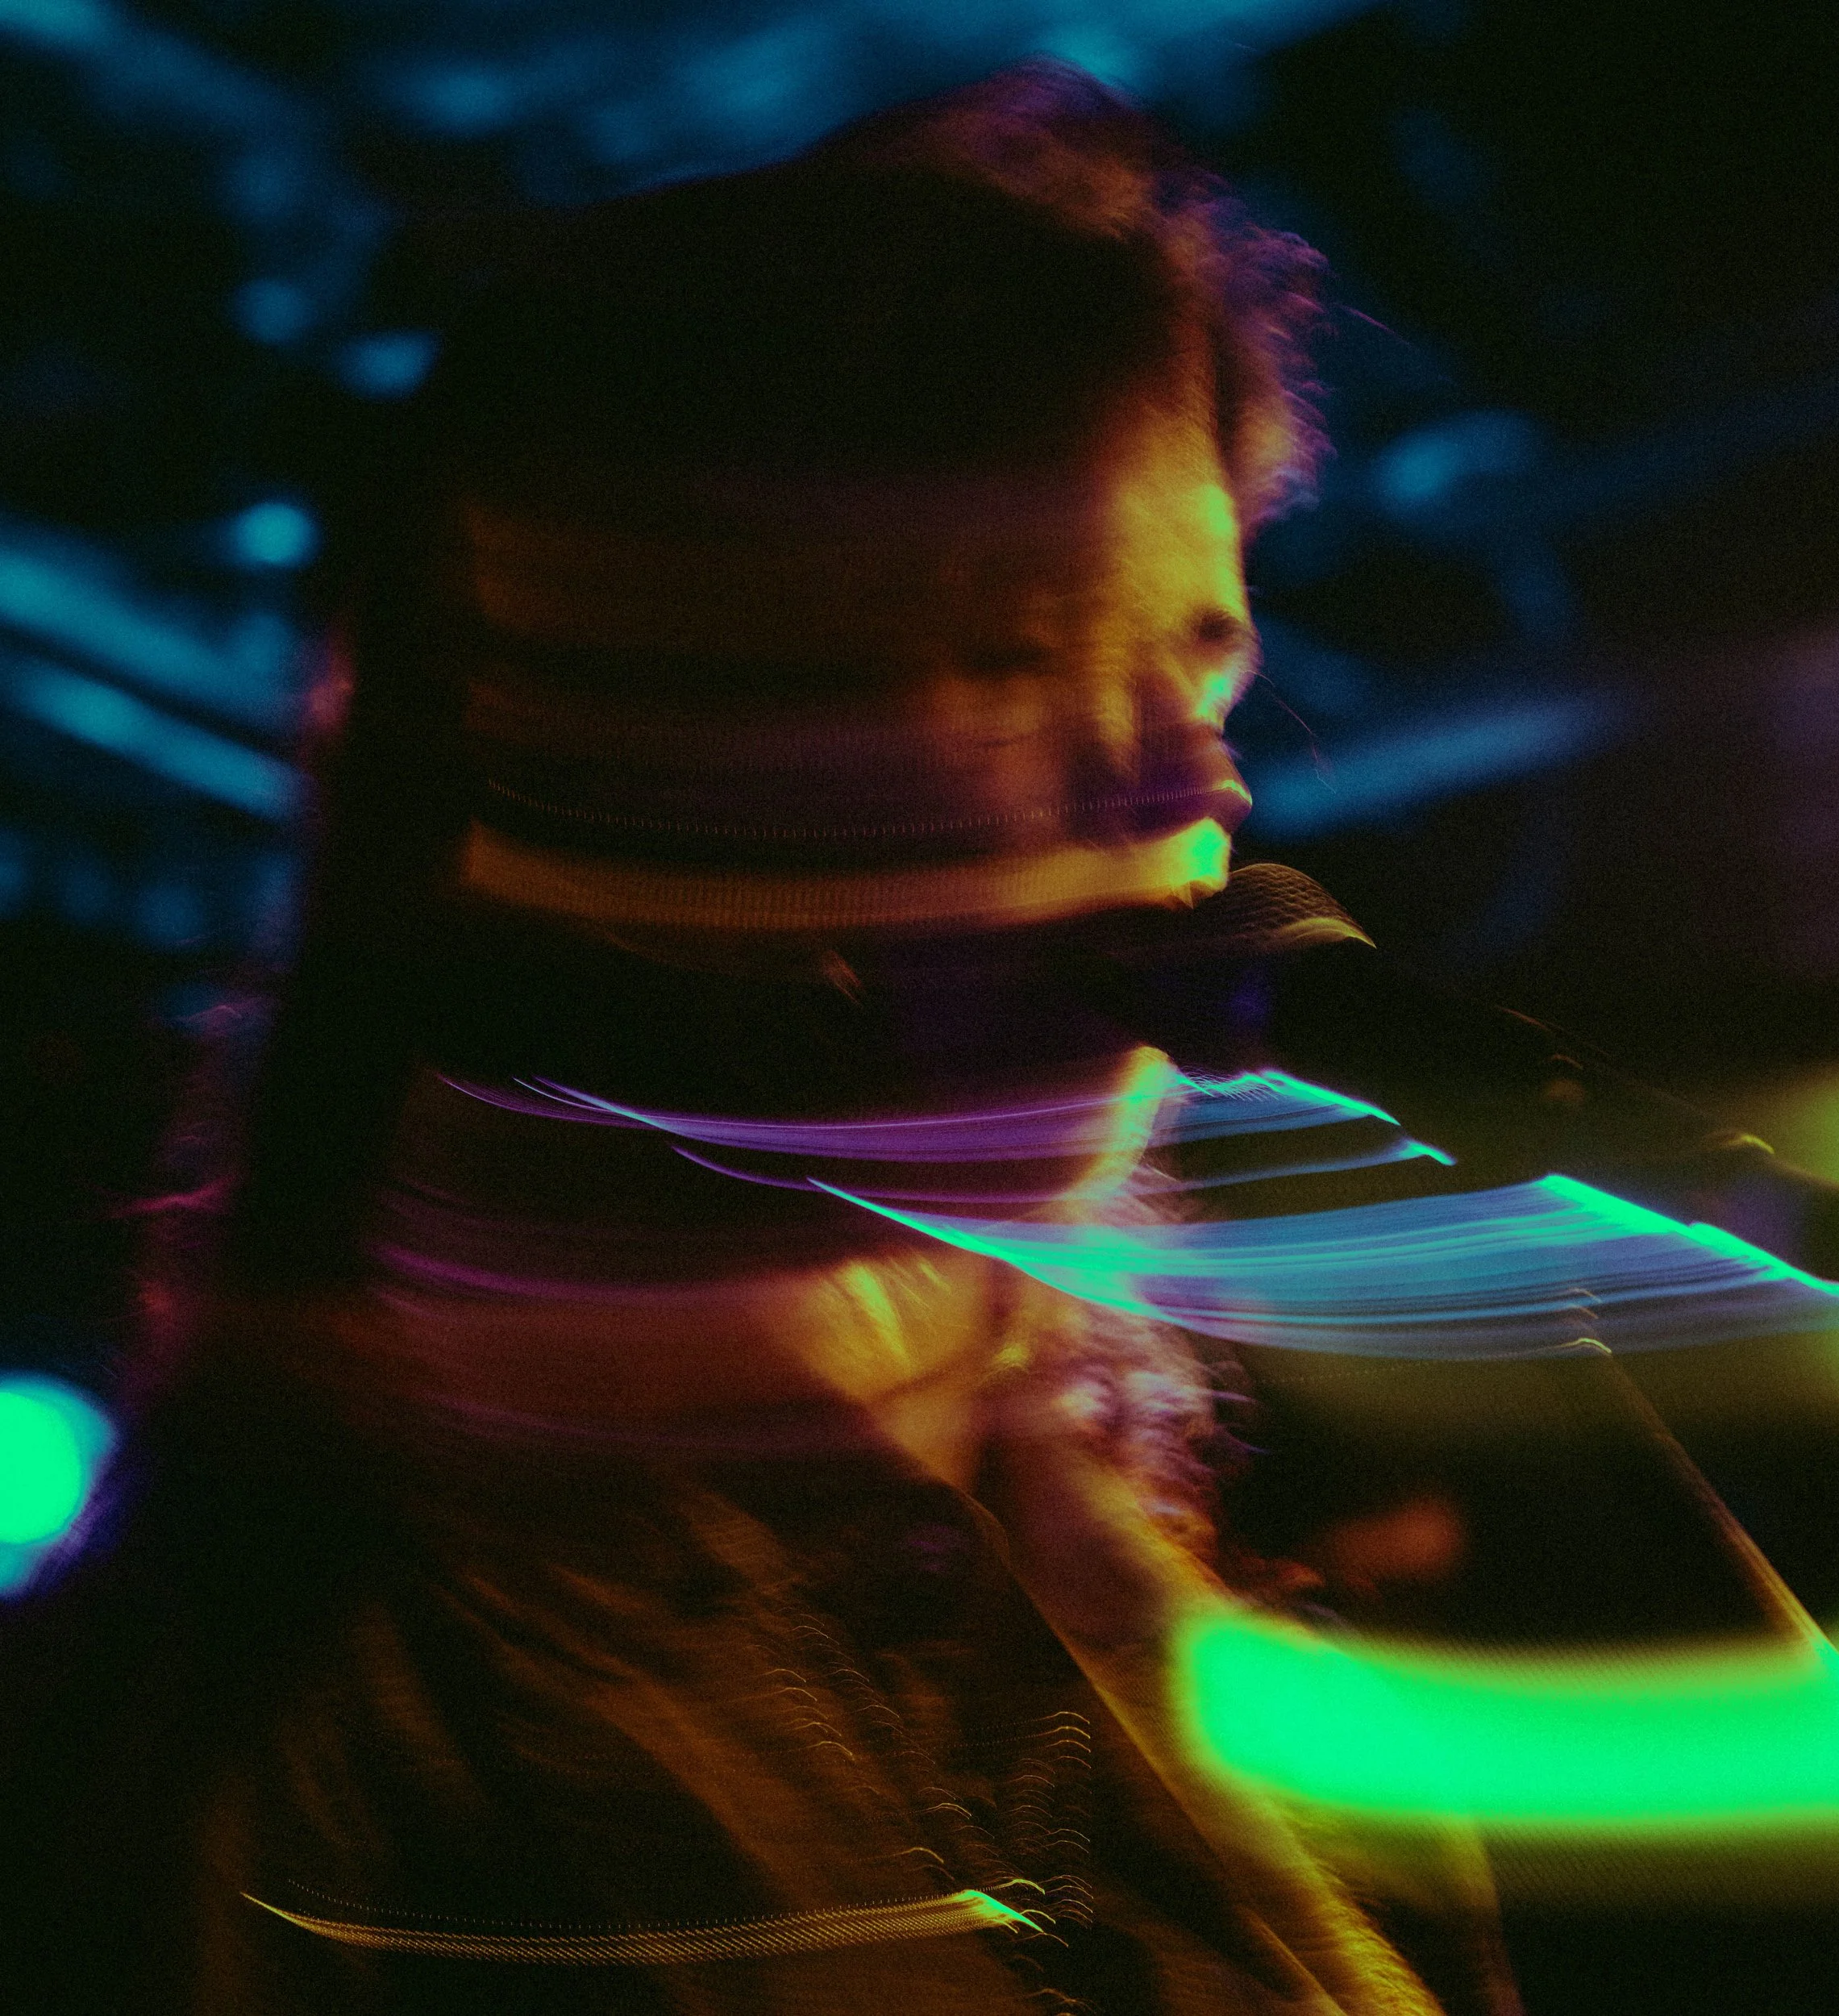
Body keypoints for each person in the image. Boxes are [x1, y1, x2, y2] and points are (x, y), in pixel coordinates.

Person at [0, 61, 1525, 2016]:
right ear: (654, 765)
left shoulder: (1226, 1688)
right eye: (1016, 649)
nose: (1191, 772)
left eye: (1202, 655)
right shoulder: (281, 1759)